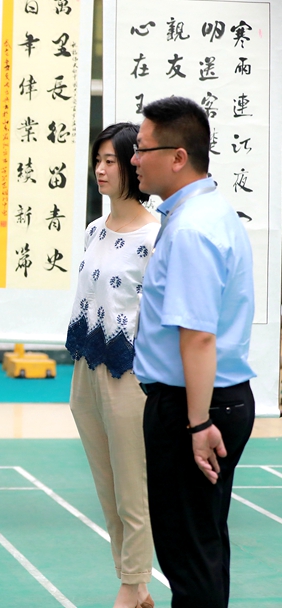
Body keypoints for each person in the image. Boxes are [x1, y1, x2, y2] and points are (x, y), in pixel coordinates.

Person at [131, 96, 255, 608]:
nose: (134, 159)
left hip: (194, 406)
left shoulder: (191, 229)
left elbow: (198, 335)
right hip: (208, 400)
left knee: (189, 555)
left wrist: (198, 423)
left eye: (142, 149)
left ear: (178, 157)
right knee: (201, 546)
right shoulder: (204, 213)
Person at [65, 123, 158, 608]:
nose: (101, 170)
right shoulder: (94, 230)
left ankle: (132, 582)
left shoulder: (156, 234)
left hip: (130, 373)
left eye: (111, 161)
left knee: (131, 487)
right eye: (97, 160)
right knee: (106, 486)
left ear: (133, 166)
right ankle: (135, 584)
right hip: (87, 365)